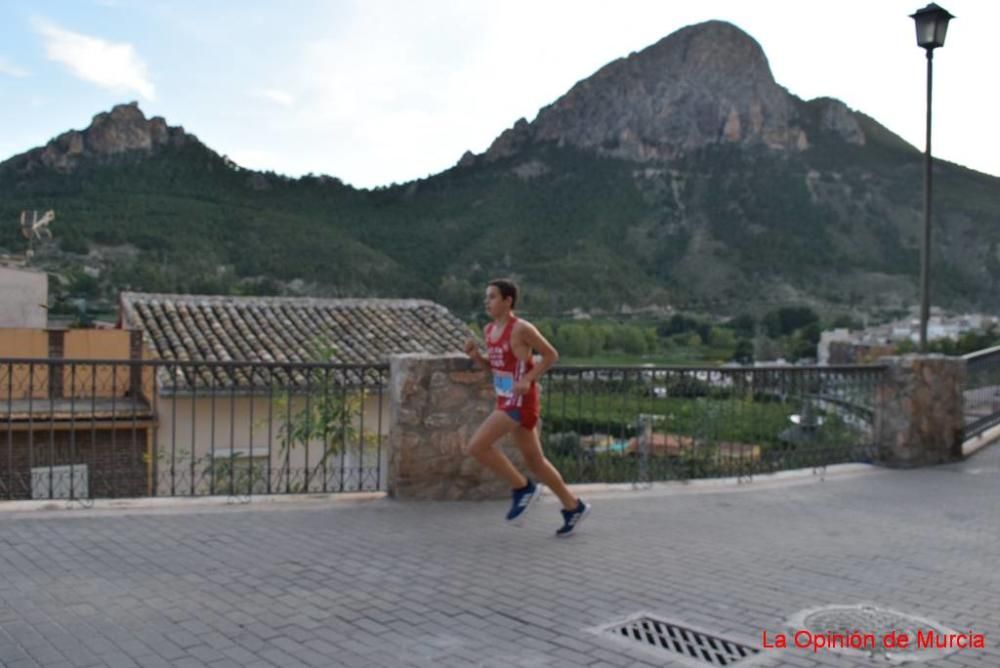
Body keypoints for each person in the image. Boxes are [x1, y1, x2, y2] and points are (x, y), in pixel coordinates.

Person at [464, 278, 591, 536]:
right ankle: (573, 507)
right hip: (505, 397)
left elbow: (550, 355)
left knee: (477, 446)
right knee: (536, 461)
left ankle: (523, 489)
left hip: (521, 401)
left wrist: (527, 379)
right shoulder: (489, 331)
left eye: (492, 297)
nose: (486, 302)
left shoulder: (521, 329)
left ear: (507, 300)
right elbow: (497, 368)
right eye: (486, 297)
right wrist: (477, 357)